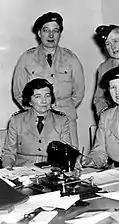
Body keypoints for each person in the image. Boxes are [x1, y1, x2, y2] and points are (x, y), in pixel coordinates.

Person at [12, 12, 85, 148]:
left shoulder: (71, 58)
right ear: (39, 33)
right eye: (46, 30)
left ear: (59, 34)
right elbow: (19, 92)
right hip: (37, 122)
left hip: (66, 120)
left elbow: (79, 92)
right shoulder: (27, 58)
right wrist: (37, 110)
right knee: (36, 163)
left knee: (69, 163)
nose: (51, 35)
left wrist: (62, 109)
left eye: (55, 31)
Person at [2, 78, 71, 167]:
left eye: (47, 96)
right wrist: (7, 172)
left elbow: (66, 152)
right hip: (23, 171)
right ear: (30, 101)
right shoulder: (17, 120)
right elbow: (8, 153)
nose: (44, 101)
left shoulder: (61, 120)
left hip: (51, 171)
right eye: (38, 96)